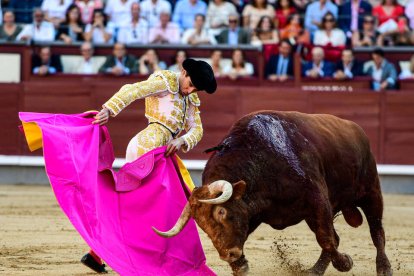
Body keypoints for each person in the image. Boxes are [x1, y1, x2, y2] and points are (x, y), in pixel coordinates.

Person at [84, 58, 217, 274]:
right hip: (145, 149)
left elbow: (197, 130)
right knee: (141, 207)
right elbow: (133, 90)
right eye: (191, 84)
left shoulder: (190, 97)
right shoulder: (165, 81)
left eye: (196, 89)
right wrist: (109, 109)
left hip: (164, 154)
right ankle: (105, 252)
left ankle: (96, 253)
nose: (191, 90)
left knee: (149, 208)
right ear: (184, 72)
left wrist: (181, 140)